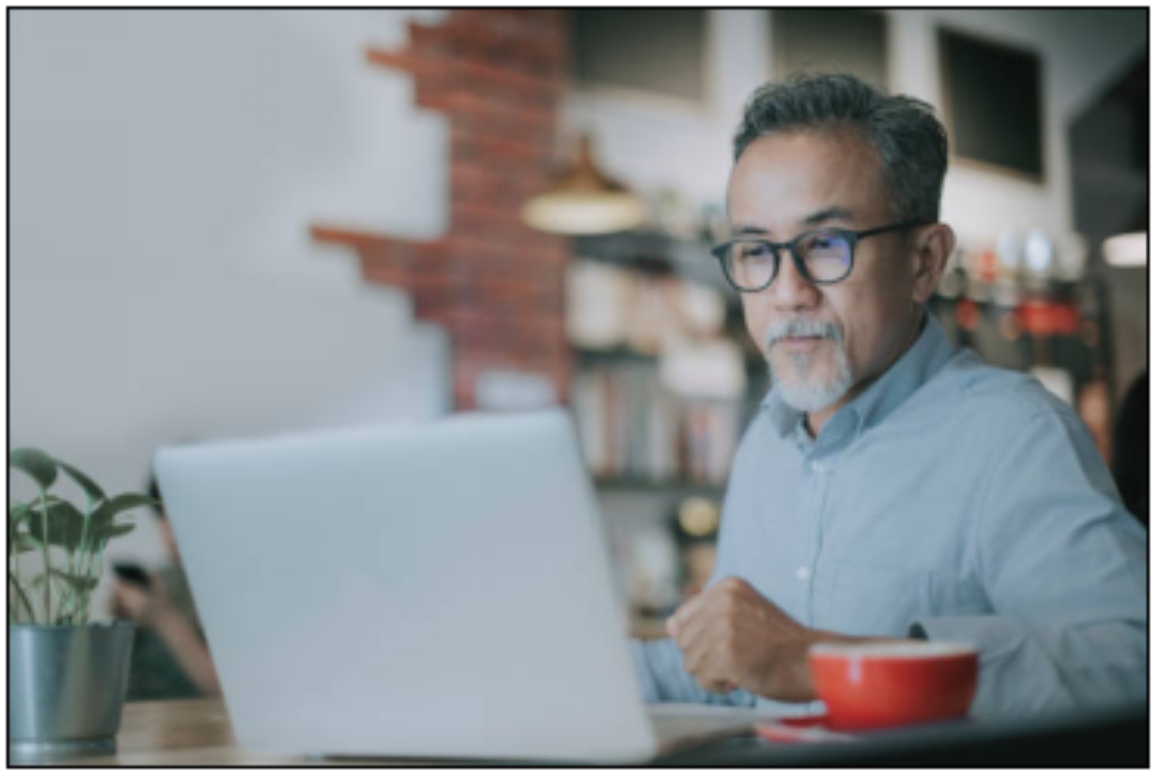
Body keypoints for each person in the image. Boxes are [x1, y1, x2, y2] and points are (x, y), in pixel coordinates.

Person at [632, 73, 1146, 720]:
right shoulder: (765, 444)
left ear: (923, 261)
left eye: (823, 244)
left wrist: (818, 663)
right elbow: (731, 674)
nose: (786, 292)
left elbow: (1128, 665)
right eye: (755, 250)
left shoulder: (1015, 435)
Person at [113, 477, 221, 700]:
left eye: (182, 513)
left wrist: (163, 617)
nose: (169, 530)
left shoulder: (235, 589)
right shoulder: (161, 580)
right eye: (162, 516)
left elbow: (226, 692)